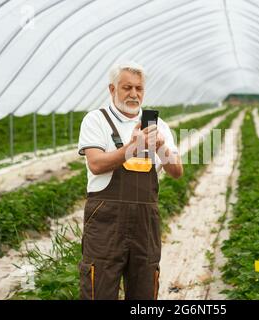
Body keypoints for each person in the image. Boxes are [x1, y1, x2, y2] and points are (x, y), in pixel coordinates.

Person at [77, 61, 183, 300]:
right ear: (112, 89)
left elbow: (177, 171)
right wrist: (132, 148)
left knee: (144, 290)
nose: (134, 94)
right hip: (106, 222)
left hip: (145, 225)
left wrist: (161, 146)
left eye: (139, 88)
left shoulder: (158, 126)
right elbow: (96, 164)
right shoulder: (96, 120)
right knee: (99, 286)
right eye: (127, 88)